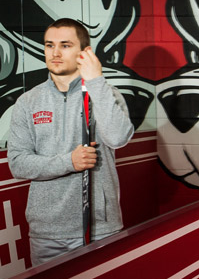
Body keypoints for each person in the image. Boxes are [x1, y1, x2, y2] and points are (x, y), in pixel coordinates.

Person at [8, 18, 135, 266]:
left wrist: (96, 81)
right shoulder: (28, 102)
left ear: (84, 51)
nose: (55, 53)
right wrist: (69, 162)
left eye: (65, 45)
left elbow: (118, 138)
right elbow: (18, 164)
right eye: (49, 45)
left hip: (100, 228)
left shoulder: (105, 93)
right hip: (48, 234)